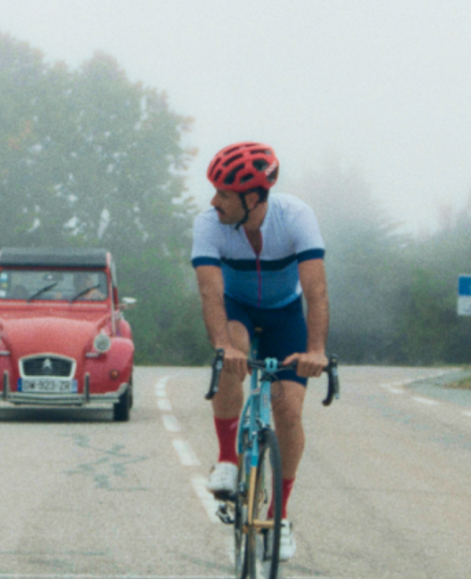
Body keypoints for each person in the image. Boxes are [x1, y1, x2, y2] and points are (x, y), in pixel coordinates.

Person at [191, 141, 329, 561]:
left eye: (224, 194)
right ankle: (228, 460)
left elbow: (316, 291)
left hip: (285, 314)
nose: (214, 201)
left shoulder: (296, 218)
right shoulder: (209, 224)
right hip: (237, 309)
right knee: (234, 352)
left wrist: (317, 350)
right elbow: (210, 292)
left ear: (253, 197)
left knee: (288, 408)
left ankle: (280, 516)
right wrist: (221, 346)